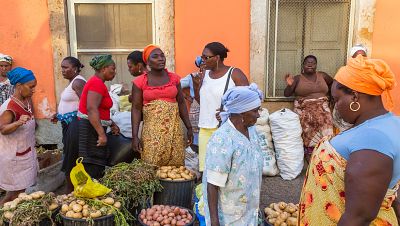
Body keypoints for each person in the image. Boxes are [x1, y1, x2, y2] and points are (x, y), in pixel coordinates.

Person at [298, 55, 400, 226]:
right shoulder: (390, 123)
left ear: (354, 96)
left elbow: (358, 217)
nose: (335, 106)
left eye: (337, 100)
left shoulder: (372, 137)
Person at [203, 83, 264, 226]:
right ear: (242, 112)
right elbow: (212, 184)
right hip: (229, 216)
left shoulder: (252, 131)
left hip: (249, 211)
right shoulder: (222, 139)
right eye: (255, 110)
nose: (258, 115)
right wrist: (214, 222)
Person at [131, 44, 193, 166]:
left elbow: (181, 103)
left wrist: (189, 128)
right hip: (152, 133)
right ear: (147, 61)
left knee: (175, 167)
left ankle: (174, 186)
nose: (161, 59)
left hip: (174, 131)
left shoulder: (174, 79)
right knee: (152, 165)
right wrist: (135, 136)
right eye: (155, 56)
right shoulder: (140, 82)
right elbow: (136, 109)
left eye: (162, 55)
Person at [195, 42, 249, 172]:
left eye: (206, 57)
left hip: (227, 129)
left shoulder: (234, 74)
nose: (202, 60)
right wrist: (198, 84)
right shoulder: (204, 74)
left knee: (225, 169)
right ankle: (207, 193)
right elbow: (201, 101)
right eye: (202, 56)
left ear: (217, 58)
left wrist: (228, 111)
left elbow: (248, 101)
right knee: (206, 169)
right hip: (205, 128)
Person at [283, 55, 334, 162]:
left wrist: (332, 97)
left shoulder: (323, 75)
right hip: (304, 106)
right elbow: (287, 94)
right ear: (303, 65)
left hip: (322, 105)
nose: (310, 64)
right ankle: (310, 150)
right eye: (307, 63)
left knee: (325, 117)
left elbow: (334, 84)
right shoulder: (297, 78)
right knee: (309, 119)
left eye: (313, 63)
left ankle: (325, 148)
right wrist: (290, 85)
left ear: (316, 65)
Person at [0, 67, 37, 205]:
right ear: (19, 86)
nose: (33, 90)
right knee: (13, 198)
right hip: (14, 159)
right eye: (31, 87)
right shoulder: (10, 107)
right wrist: (18, 123)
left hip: (24, 155)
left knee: (18, 195)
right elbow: (3, 129)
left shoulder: (26, 101)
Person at [78, 55, 119, 179]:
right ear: (104, 69)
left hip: (91, 128)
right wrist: (101, 134)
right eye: (113, 68)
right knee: (93, 168)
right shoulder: (96, 83)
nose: (114, 72)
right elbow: (91, 109)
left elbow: (99, 110)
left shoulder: (98, 82)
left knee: (96, 167)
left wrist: (111, 123)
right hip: (90, 131)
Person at [52, 57, 86, 192]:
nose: (63, 70)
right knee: (70, 154)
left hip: (75, 125)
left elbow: (86, 104)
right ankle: (74, 190)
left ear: (76, 68)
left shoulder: (78, 82)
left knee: (71, 156)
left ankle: (71, 190)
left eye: (66, 67)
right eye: (62, 68)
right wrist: (59, 114)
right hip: (69, 124)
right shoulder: (72, 82)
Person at [181, 56, 204, 153]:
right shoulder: (193, 76)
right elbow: (176, 85)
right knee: (196, 132)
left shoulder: (216, 76)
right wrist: (186, 96)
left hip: (213, 106)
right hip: (197, 107)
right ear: (200, 65)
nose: (205, 65)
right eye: (203, 63)